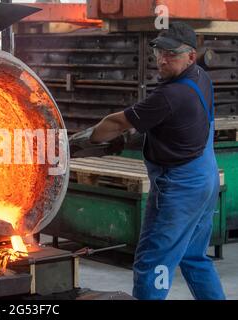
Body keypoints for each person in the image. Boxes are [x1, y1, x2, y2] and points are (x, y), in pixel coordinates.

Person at [69, 22, 226, 300]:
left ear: (190, 56)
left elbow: (115, 123)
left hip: (180, 189)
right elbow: (174, 126)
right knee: (193, 256)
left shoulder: (171, 95)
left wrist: (78, 142)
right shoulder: (201, 77)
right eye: (159, 52)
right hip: (206, 178)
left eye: (172, 54)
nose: (162, 60)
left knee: (153, 262)